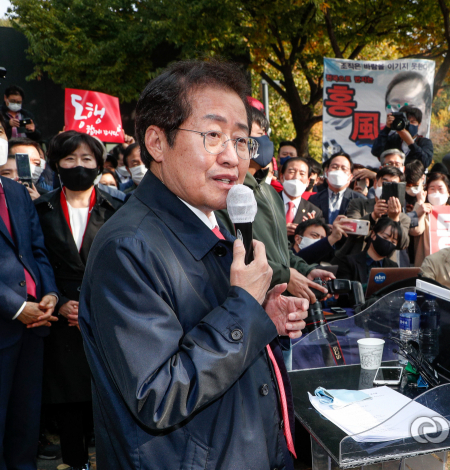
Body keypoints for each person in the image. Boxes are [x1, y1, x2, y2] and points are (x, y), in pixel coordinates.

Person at [79, 60, 310, 470]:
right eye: (213, 135)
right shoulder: (128, 248)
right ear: (156, 142)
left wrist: (262, 317)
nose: (232, 156)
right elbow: (159, 394)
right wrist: (243, 306)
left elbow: (213, 329)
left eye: (241, 140)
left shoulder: (218, 219)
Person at [0, 97, 58, 470]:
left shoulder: (18, 193)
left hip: (34, 327)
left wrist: (50, 294)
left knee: (26, 427)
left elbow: (37, 251)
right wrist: (16, 307)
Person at [34, 130, 123, 470]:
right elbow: (34, 259)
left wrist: (92, 306)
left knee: (107, 398)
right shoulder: (39, 210)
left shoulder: (117, 207)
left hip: (106, 318)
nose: (78, 166)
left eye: (87, 159)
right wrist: (57, 301)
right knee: (69, 403)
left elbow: (124, 266)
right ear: (56, 164)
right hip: (60, 319)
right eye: (70, 159)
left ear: (100, 164)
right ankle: (75, 464)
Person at [217, 106, 334, 308]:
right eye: (260, 134)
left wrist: (305, 270)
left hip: (282, 306)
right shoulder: (227, 193)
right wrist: (286, 276)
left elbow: (282, 250)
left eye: (266, 135)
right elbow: (237, 252)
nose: (266, 142)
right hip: (250, 304)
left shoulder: (270, 193)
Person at [343, 166, 411, 255]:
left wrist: (395, 219)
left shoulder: (403, 218)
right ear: (375, 184)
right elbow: (351, 231)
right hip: (355, 260)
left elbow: (403, 245)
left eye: (393, 185)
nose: (387, 187)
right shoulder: (358, 204)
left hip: (384, 264)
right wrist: (373, 216)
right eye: (384, 183)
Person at [335, 217, 400, 290]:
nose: (389, 243)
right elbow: (344, 293)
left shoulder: (393, 267)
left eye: (393, 242)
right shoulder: (348, 262)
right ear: (373, 234)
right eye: (385, 237)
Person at [309, 152, 365, 224]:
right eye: (334, 167)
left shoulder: (360, 200)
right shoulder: (314, 199)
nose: (339, 171)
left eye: (344, 168)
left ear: (350, 177)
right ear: (326, 172)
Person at [410, 172, 450, 267]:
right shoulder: (422, 211)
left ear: (448, 192)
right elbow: (415, 230)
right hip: (426, 267)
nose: (436, 192)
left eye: (440, 188)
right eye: (432, 189)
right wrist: (419, 204)